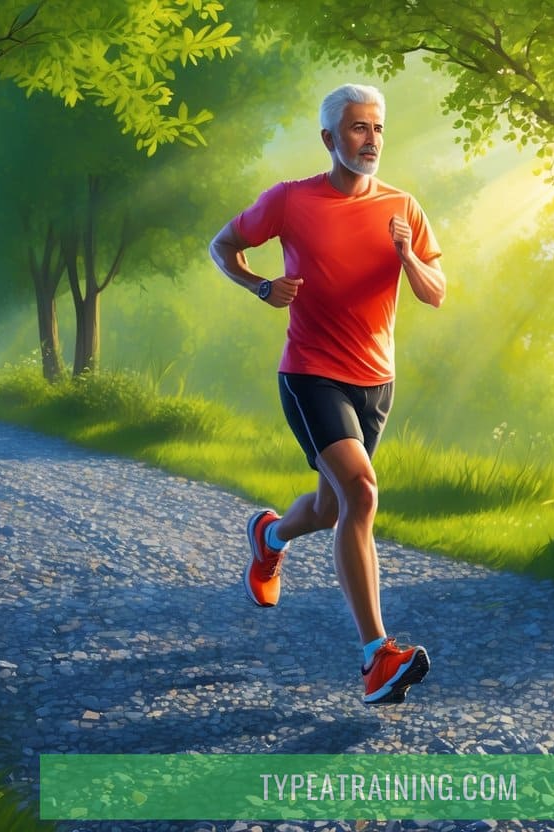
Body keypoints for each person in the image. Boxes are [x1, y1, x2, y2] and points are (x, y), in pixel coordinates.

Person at [208, 83, 447, 705]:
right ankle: (376, 657)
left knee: (331, 510)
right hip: (310, 374)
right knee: (361, 492)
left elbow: (436, 291)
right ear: (329, 137)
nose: (371, 140)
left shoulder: (402, 207)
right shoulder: (290, 200)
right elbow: (222, 245)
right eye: (358, 128)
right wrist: (261, 287)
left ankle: (270, 536)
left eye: (378, 128)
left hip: (376, 381)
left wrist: (407, 255)